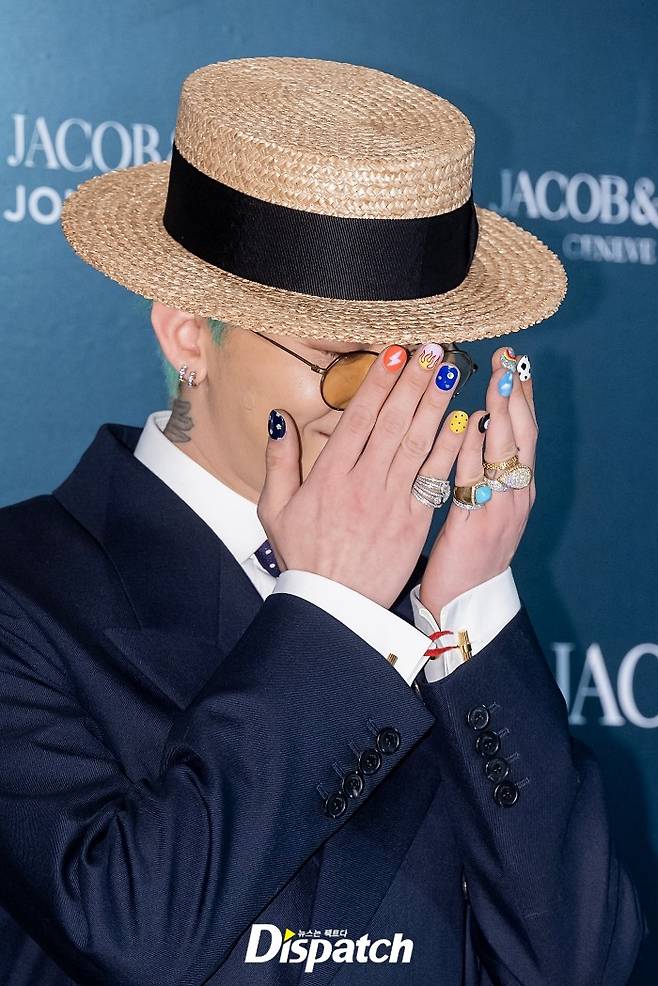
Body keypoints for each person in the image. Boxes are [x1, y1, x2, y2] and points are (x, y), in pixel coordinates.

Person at [0, 55, 646, 985]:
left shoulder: (440, 622)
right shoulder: (25, 592)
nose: (389, 410)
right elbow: (133, 934)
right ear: (189, 331)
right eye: (346, 363)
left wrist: (468, 609)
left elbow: (581, 965)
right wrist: (333, 609)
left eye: (422, 366)